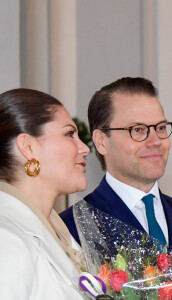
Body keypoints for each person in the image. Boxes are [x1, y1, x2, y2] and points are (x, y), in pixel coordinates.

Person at [60, 77, 172, 259]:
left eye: (160, 128)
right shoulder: (72, 228)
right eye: (137, 130)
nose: (156, 141)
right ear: (101, 141)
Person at [0, 88, 90, 299]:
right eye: (69, 134)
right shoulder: (6, 239)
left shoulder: (63, 236)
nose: (84, 148)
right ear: (28, 146)